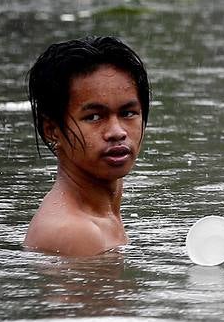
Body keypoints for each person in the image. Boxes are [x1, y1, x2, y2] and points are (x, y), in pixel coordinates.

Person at [24, 36, 151, 257]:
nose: (117, 132)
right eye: (93, 117)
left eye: (128, 113)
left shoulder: (102, 205)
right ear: (52, 130)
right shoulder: (77, 233)